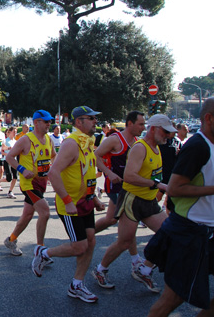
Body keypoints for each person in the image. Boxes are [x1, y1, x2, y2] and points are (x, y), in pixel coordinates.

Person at [146, 98, 214, 316]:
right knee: (173, 297)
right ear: (209, 119)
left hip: (208, 230)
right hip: (191, 231)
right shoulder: (197, 146)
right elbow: (174, 188)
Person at [92, 114, 174, 293]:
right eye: (165, 131)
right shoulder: (138, 147)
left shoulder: (156, 146)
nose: (168, 135)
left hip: (149, 200)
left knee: (169, 233)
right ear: (154, 129)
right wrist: (157, 184)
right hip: (131, 199)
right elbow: (129, 176)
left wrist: (160, 188)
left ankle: (143, 269)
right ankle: (100, 269)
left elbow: (152, 174)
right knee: (124, 241)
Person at [33, 106, 106, 303]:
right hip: (71, 204)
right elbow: (53, 173)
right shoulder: (72, 143)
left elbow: (87, 173)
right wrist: (67, 200)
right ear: (78, 122)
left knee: (90, 242)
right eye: (90, 119)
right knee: (80, 246)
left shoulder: (88, 142)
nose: (95, 122)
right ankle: (44, 253)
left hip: (86, 202)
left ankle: (77, 284)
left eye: (95, 119)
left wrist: (96, 199)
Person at [93, 111, 146, 276]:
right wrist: (109, 173)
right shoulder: (115, 139)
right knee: (129, 222)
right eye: (141, 124)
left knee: (110, 219)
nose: (143, 128)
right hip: (115, 187)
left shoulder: (138, 142)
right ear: (130, 123)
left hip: (130, 188)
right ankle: (136, 261)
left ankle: (83, 235)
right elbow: (95, 156)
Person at [4, 110, 56, 256]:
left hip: (42, 183)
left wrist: (54, 172)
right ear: (36, 123)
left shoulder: (49, 139)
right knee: (45, 212)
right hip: (29, 184)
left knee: (27, 215)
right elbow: (9, 157)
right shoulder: (26, 140)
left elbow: (54, 157)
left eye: (50, 121)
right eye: (46, 121)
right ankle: (40, 250)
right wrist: (22, 169)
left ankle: (11, 240)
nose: (49, 124)